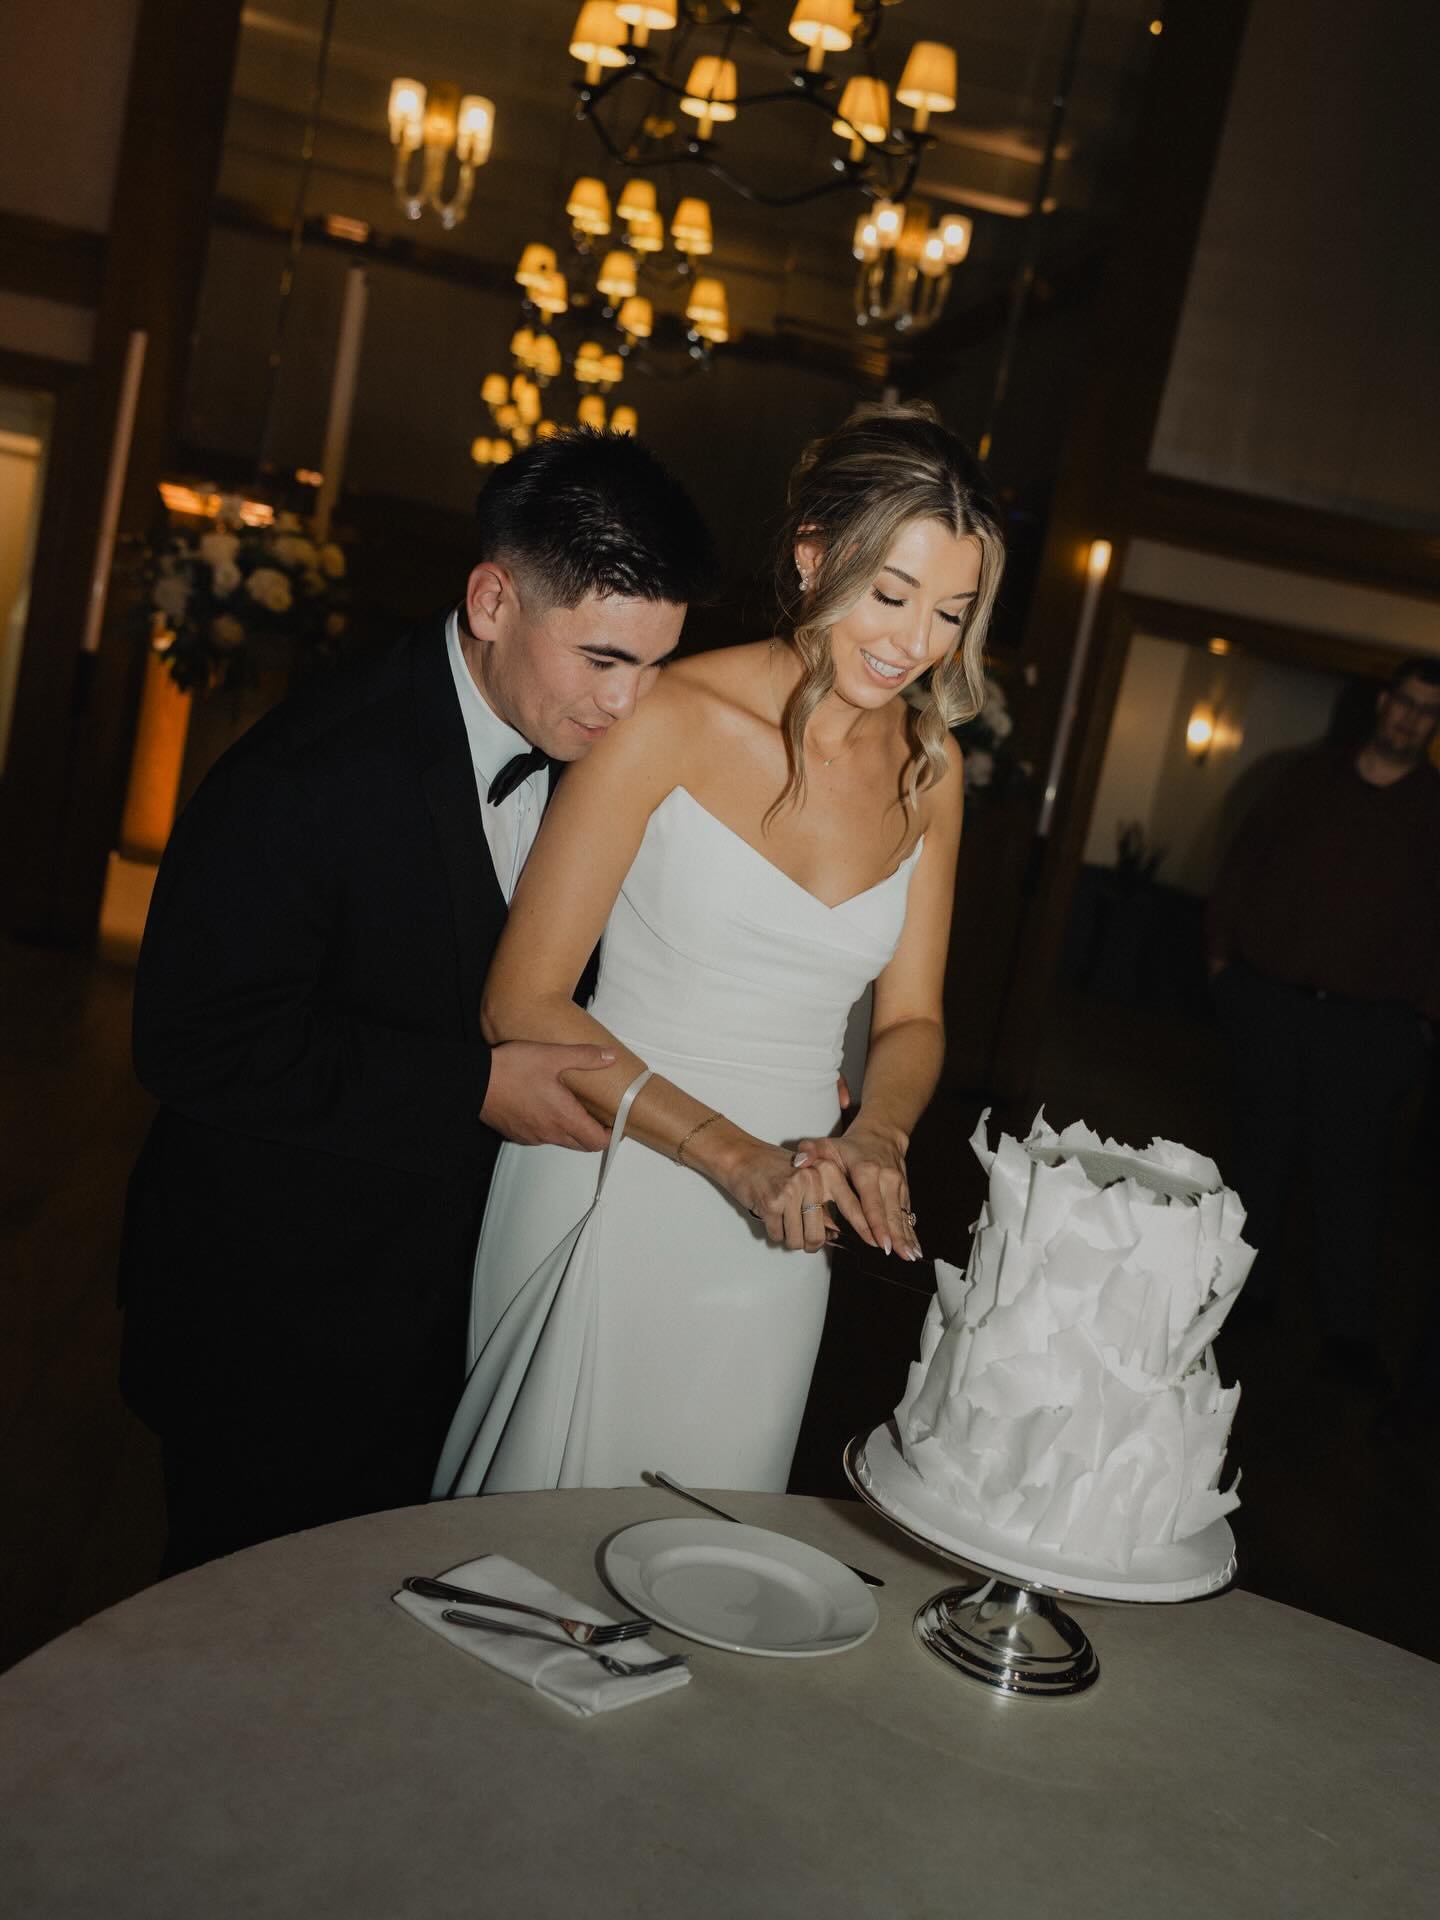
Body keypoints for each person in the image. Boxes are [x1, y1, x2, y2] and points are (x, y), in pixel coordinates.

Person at [120, 431, 714, 1572]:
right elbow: (192, 1041)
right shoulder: (307, 774)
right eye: (601, 658)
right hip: (271, 1320)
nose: (627, 704)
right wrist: (472, 1088)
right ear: (493, 600)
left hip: (447, 1315)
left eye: (654, 666)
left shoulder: (602, 758)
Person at [433, 401, 1004, 1498]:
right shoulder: (672, 716)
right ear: (813, 555)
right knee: (524, 1554)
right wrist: (730, 1155)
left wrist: (876, 1136)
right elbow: (523, 1001)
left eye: (950, 612)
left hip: (786, 1220)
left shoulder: (931, 773)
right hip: (615, 1161)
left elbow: (914, 1017)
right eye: (889, 594)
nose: (911, 642)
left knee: (703, 1539)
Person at [1206, 657, 1440, 1387]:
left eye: (1428, 711)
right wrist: (1223, 965)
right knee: (1257, 1160)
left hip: (1371, 1029)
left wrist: (1421, 1024)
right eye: (1404, 702)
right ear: (1382, 702)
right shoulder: (1304, 779)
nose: (1411, 718)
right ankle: (1247, 1300)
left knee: (1354, 1182)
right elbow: (1242, 866)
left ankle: (1348, 1333)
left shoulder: (1434, 809)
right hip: (1271, 1004)